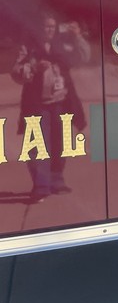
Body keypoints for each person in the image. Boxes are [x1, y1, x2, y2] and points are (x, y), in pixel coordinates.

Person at [11, 15, 89, 202]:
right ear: (38, 28)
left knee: (60, 144)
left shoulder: (63, 46)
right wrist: (35, 67)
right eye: (46, 27)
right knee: (38, 145)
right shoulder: (28, 47)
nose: (49, 30)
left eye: (52, 27)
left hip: (61, 103)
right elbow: (16, 73)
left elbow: (83, 57)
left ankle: (56, 181)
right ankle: (41, 186)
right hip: (38, 106)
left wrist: (78, 36)